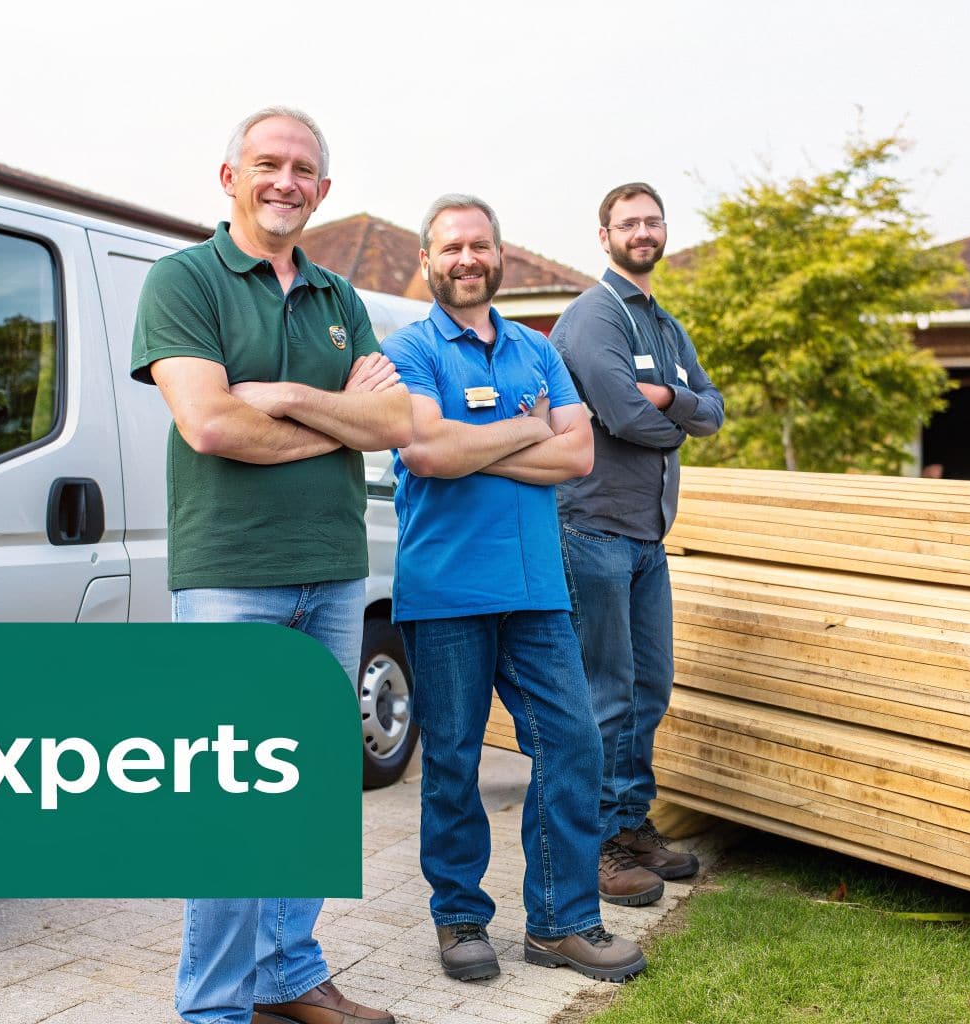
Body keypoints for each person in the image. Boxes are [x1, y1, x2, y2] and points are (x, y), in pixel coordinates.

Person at [131, 106, 409, 1024]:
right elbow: (208, 423)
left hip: (333, 571)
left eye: (303, 170)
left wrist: (288, 399)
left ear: (322, 191)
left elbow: (396, 425)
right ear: (229, 178)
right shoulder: (184, 280)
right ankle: (214, 1008)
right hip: (231, 574)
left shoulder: (339, 298)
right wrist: (338, 423)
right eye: (267, 164)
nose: (285, 181)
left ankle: (291, 975)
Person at [383, 194, 647, 985]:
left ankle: (562, 921)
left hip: (537, 590)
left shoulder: (537, 350)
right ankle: (459, 916)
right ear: (427, 262)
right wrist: (530, 427)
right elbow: (426, 452)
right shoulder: (409, 349)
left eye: (481, 245)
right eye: (451, 247)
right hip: (446, 590)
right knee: (455, 760)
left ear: (501, 256)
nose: (468, 258)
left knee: (573, 744)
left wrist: (475, 447)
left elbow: (579, 459)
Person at [549, 182, 726, 908]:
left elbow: (715, 410)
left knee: (648, 687)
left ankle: (630, 825)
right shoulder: (592, 319)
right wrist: (671, 415)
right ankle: (594, 847)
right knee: (605, 696)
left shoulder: (666, 326)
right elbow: (621, 415)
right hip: (592, 530)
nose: (643, 232)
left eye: (652, 221)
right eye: (629, 223)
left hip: (648, 537)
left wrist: (673, 402)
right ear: (604, 235)